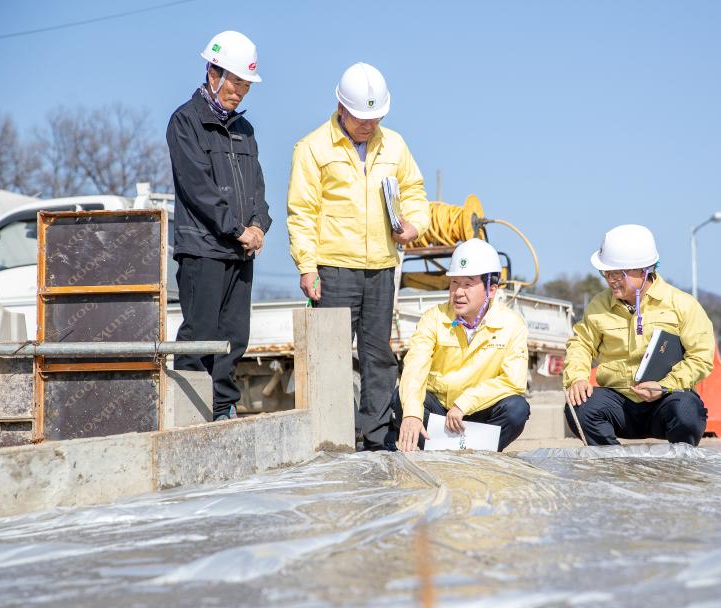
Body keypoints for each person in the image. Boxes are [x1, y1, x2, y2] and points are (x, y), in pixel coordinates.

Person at [287, 62, 430, 450]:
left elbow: (414, 191)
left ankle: (376, 435)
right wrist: (307, 266)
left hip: (381, 266)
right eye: (362, 117)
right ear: (340, 106)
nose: (369, 124)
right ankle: (332, 435)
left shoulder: (395, 145)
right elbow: (302, 211)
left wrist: (414, 225)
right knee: (329, 355)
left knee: (379, 356)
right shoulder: (313, 147)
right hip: (333, 268)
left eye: (376, 116)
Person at [166, 31, 270, 421]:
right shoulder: (185, 121)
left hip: (239, 249)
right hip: (203, 248)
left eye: (245, 86)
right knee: (201, 335)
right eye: (236, 83)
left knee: (234, 337)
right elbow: (198, 188)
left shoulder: (245, 130)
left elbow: (257, 187)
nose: (240, 93)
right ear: (213, 72)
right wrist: (236, 228)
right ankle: (189, 415)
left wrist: (259, 225)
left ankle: (223, 410)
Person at [563, 224, 714, 446]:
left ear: (643, 272)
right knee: (579, 406)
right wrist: (577, 378)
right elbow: (581, 344)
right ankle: (612, 465)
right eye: (606, 273)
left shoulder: (682, 305)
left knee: (687, 409)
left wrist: (665, 385)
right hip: (618, 405)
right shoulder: (599, 305)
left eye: (618, 273)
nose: (610, 279)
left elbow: (701, 357)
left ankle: (680, 466)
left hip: (665, 400)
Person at [392, 238, 530, 452]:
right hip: (440, 410)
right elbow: (414, 368)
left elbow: (514, 382)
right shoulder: (433, 318)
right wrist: (411, 414)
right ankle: (438, 448)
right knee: (402, 399)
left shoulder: (512, 324)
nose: (458, 292)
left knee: (517, 409)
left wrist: (465, 403)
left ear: (491, 290)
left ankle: (481, 451)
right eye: (454, 282)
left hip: (480, 411)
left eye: (467, 284)